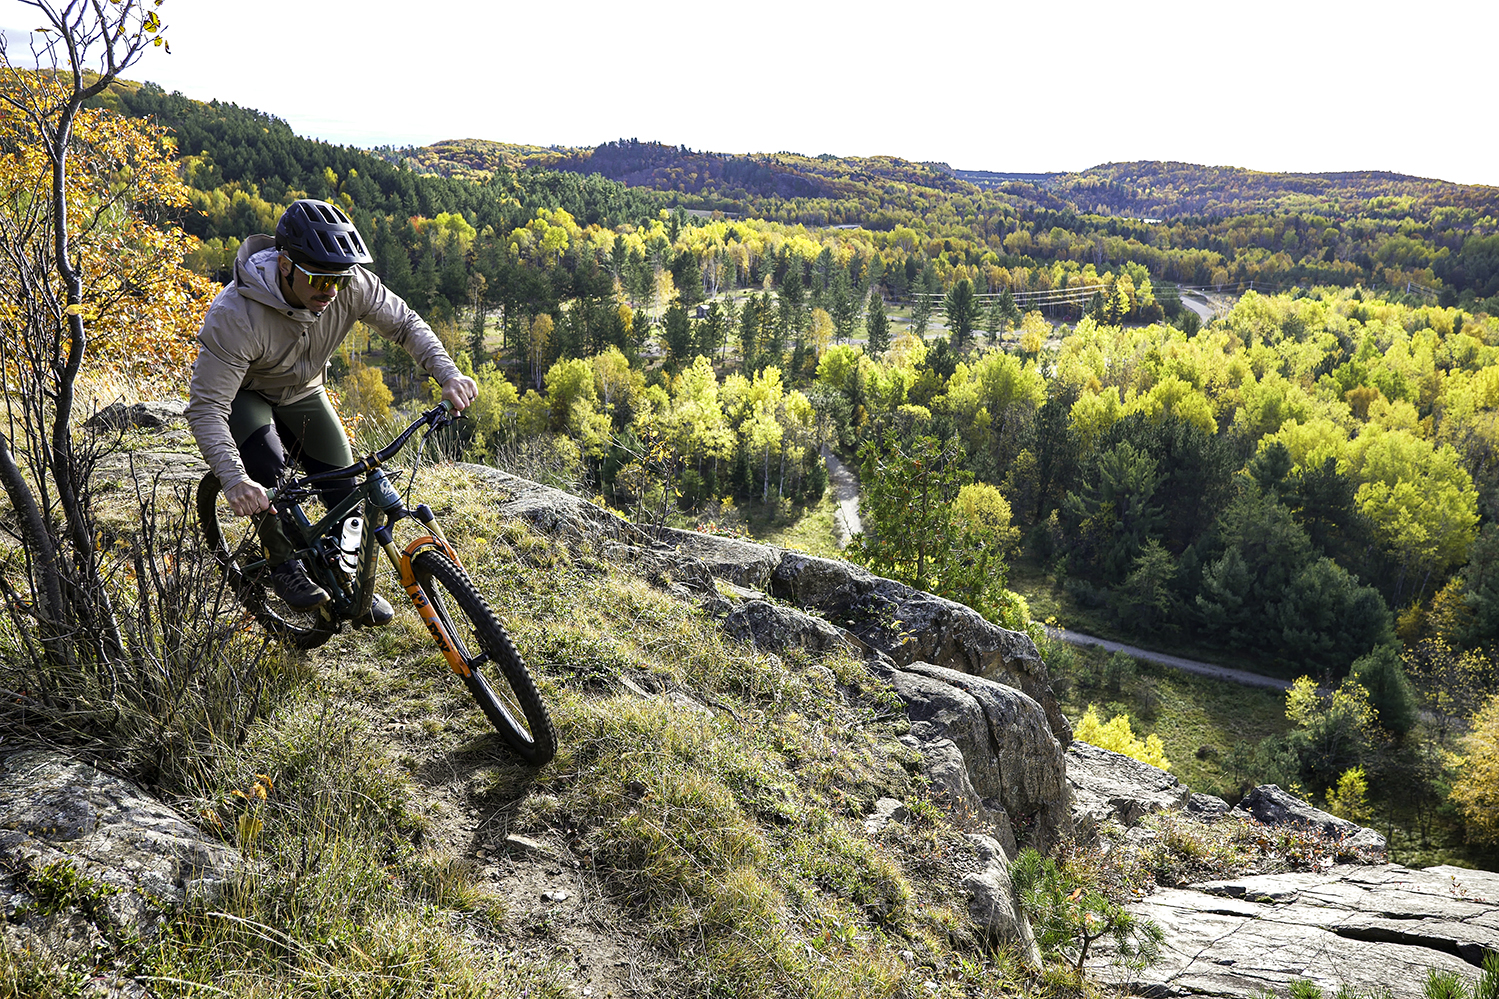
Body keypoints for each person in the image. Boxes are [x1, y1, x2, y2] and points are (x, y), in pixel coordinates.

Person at [185, 199, 477, 619]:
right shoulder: (235, 315)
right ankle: (282, 563)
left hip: (303, 390)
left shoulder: (349, 284)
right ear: (285, 265)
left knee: (345, 490)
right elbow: (207, 408)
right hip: (246, 395)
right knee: (272, 477)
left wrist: (448, 375)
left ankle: (346, 581)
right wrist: (233, 480)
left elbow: (406, 324)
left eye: (337, 280)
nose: (329, 291)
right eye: (319, 278)